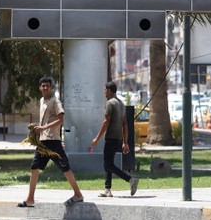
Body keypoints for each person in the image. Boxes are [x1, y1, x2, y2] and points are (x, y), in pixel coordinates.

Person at [18, 77, 84, 208]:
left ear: (51, 88)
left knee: (65, 168)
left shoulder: (55, 101)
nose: (45, 88)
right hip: (42, 143)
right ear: (39, 87)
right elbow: (47, 121)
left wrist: (43, 128)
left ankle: (78, 195)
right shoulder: (42, 100)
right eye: (43, 86)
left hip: (53, 142)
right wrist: (38, 129)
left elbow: (61, 120)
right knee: (34, 168)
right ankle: (30, 198)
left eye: (47, 86)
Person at [90, 81, 139, 197]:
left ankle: (131, 180)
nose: (104, 92)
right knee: (108, 163)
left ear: (109, 90)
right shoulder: (121, 104)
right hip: (118, 139)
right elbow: (125, 124)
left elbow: (106, 122)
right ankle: (108, 189)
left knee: (108, 165)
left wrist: (97, 138)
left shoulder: (110, 104)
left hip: (111, 137)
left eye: (105, 90)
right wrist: (125, 142)